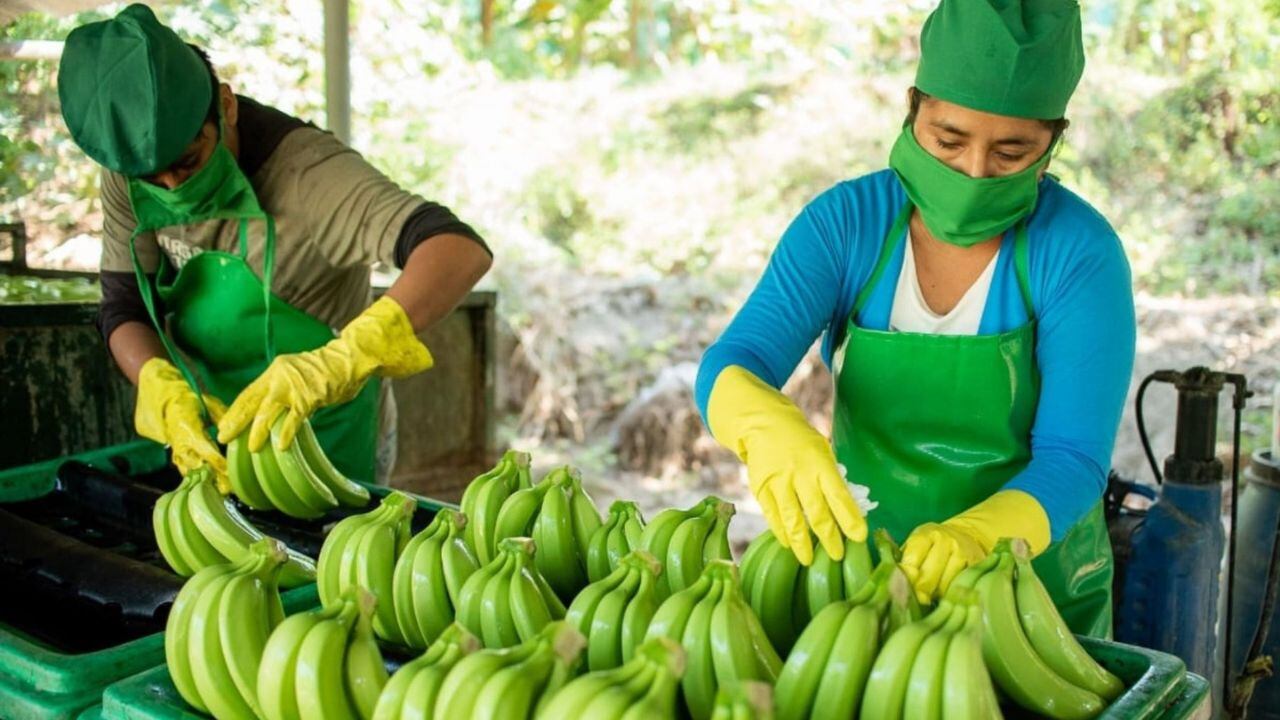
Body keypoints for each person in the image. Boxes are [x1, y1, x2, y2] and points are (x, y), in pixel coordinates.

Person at [696, 0, 1135, 635]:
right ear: (913, 108)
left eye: (1011, 153)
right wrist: (764, 425)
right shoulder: (848, 224)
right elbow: (734, 363)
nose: (975, 172)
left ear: (1053, 143)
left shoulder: (1077, 252)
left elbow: (1073, 459)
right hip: (860, 585)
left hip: (1031, 605)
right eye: (947, 140)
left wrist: (979, 537)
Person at [57, 4, 492, 488]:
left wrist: (347, 357)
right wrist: (161, 387)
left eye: (188, 162)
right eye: (149, 178)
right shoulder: (130, 170)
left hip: (328, 440)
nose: (170, 186)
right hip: (214, 434)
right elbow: (124, 308)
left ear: (226, 106)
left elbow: (457, 248)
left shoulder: (308, 175)